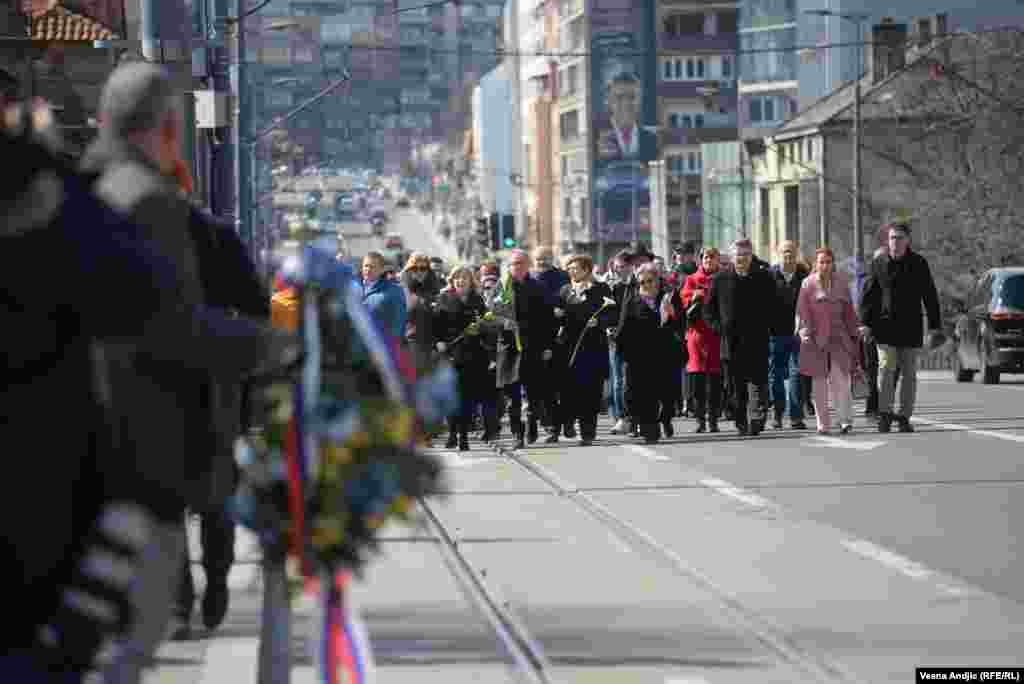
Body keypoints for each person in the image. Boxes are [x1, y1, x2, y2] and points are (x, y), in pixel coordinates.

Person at [860, 222, 942, 433]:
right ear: (887, 241)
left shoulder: (919, 263)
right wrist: (865, 323)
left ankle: (905, 416)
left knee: (909, 374)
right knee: (886, 369)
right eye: (892, 238)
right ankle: (885, 414)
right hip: (884, 327)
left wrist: (935, 326)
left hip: (910, 326)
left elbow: (930, 295)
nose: (895, 242)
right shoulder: (879, 263)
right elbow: (868, 295)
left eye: (899, 238)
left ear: (908, 241)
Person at [704, 239, 781, 436]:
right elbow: (708, 310)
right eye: (738, 255)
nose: (742, 259)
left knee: (758, 382)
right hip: (731, 342)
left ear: (751, 256)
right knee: (735, 386)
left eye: (746, 255)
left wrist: (769, 326)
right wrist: (718, 328)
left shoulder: (764, 277)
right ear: (731, 257)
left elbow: (774, 305)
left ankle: (756, 417)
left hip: (757, 340)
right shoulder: (720, 279)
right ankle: (740, 420)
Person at [491, 249, 556, 449]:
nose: (516, 267)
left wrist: (547, 346)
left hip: (533, 347)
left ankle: (532, 424)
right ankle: (517, 434)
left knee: (534, 393)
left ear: (528, 265)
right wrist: (503, 323)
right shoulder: (502, 287)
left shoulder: (538, 286)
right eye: (513, 264)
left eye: (520, 263)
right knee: (512, 397)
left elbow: (548, 319)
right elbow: (490, 315)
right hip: (509, 348)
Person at [798, 248, 863, 435]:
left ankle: (845, 420)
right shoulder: (807, 284)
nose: (825, 265)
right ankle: (823, 423)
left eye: (828, 262)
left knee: (841, 381)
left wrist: (855, 329)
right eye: (821, 262)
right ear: (815, 264)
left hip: (839, 339)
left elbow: (849, 312)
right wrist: (804, 331)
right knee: (819, 385)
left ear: (833, 263)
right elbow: (802, 311)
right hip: (816, 340)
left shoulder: (842, 284)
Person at [556, 254, 617, 445]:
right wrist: (558, 315)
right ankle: (567, 420)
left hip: (592, 347)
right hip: (568, 348)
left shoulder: (601, 289)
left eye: (576, 268)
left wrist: (599, 321)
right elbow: (557, 316)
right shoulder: (565, 291)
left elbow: (612, 314)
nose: (572, 271)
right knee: (568, 390)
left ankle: (588, 433)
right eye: (570, 269)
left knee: (591, 392)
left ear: (587, 270)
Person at [435, 267, 495, 451]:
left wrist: (482, 330)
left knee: (468, 397)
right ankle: (453, 432)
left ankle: (463, 436)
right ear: (452, 281)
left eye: (464, 278)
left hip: (474, 355)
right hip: (451, 353)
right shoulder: (443, 299)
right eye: (457, 278)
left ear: (471, 281)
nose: (460, 281)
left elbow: (487, 327)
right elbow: (436, 326)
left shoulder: (478, 301)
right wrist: (438, 342)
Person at [619, 263, 679, 443]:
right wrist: (623, 352)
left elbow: (681, 325)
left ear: (658, 281)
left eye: (650, 281)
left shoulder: (668, 299)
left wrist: (673, 314)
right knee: (644, 394)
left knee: (667, 394)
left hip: (664, 353)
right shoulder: (632, 301)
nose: (646, 285)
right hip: (640, 355)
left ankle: (666, 418)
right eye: (642, 282)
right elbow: (623, 327)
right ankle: (649, 429)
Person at [676, 247, 723, 433]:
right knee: (698, 382)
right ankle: (700, 419)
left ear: (718, 260)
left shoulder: (723, 278)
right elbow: (683, 301)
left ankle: (713, 419)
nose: (708, 260)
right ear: (701, 260)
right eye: (705, 257)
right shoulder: (692, 279)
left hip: (717, 336)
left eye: (712, 257)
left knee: (715, 382)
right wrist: (693, 297)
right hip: (697, 336)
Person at [769, 240, 810, 430]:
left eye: (791, 252)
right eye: (785, 252)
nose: (788, 256)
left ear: (797, 254)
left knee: (796, 374)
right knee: (775, 375)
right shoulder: (769, 276)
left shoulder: (805, 277)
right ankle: (777, 413)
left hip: (797, 334)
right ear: (779, 254)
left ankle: (795, 416)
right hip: (774, 334)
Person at [532, 246, 571, 437]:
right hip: (539, 338)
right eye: (538, 259)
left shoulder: (562, 277)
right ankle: (551, 426)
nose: (541, 262)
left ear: (552, 258)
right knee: (544, 386)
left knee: (563, 385)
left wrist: (560, 310)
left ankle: (567, 421)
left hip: (562, 336)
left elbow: (569, 300)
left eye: (545, 258)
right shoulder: (531, 279)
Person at [596, 72, 657, 161]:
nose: (626, 103)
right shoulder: (595, 139)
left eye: (632, 97)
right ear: (608, 101)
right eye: (619, 97)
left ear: (640, 101)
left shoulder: (652, 140)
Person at [361, 251, 408, 345]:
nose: (368, 269)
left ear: (382, 269)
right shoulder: (355, 287)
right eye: (366, 266)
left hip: (383, 348)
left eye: (373, 267)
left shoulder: (394, 291)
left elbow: (398, 324)